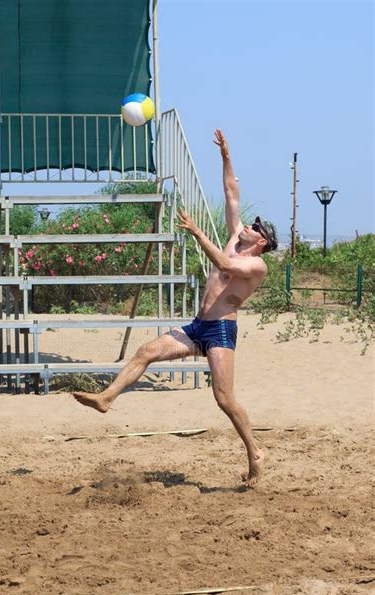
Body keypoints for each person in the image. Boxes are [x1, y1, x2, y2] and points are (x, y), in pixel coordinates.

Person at [73, 129, 278, 487]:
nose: (247, 224)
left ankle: (254, 452)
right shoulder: (233, 238)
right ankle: (106, 398)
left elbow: (228, 269)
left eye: (254, 226)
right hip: (197, 326)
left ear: (261, 241)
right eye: (249, 222)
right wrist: (226, 155)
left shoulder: (257, 266)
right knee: (145, 351)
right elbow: (232, 192)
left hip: (220, 332)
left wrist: (198, 233)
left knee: (225, 399)